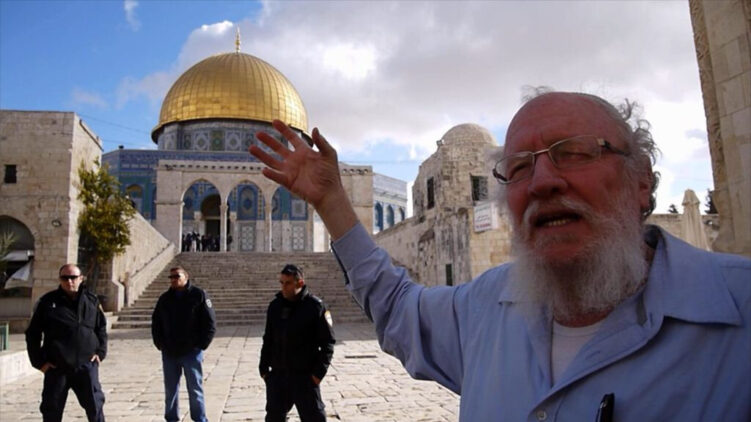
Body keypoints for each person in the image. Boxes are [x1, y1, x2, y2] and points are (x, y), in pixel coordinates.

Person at [249, 91, 751, 421]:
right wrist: (333, 202)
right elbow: (397, 307)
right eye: (519, 167)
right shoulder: (485, 310)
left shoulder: (737, 316)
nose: (544, 181)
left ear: (641, 181)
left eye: (574, 152)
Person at [25, 263, 108, 422]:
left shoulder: (92, 301)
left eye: (73, 277)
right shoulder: (47, 302)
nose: (69, 281)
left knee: (95, 408)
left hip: (86, 366)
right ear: (60, 279)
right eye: (65, 278)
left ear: (81, 278)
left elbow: (101, 328)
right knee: (52, 410)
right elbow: (32, 333)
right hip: (57, 367)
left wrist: (101, 352)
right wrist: (39, 362)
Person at [259, 264, 335, 422]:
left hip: (305, 377)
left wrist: (317, 375)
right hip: (278, 376)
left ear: (300, 283)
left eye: (287, 283)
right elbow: (268, 338)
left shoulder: (315, 307)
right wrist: (264, 370)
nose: (283, 287)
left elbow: (328, 343)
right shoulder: (275, 306)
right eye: (281, 283)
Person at [151, 266, 216, 422]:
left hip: (191, 351)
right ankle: (171, 418)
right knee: (170, 389)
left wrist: (201, 345)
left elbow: (210, 322)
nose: (173, 280)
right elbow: (156, 322)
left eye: (177, 276)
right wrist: (159, 343)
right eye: (171, 277)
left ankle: (199, 418)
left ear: (186, 277)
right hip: (170, 351)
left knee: (195, 388)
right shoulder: (165, 298)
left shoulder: (198, 295)